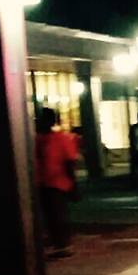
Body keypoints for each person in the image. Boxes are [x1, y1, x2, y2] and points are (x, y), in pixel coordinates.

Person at [33, 107, 81, 260]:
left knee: (57, 214)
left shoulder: (60, 138)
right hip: (42, 182)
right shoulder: (38, 139)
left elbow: (69, 163)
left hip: (56, 182)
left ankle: (63, 244)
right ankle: (58, 242)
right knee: (50, 215)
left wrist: (73, 183)